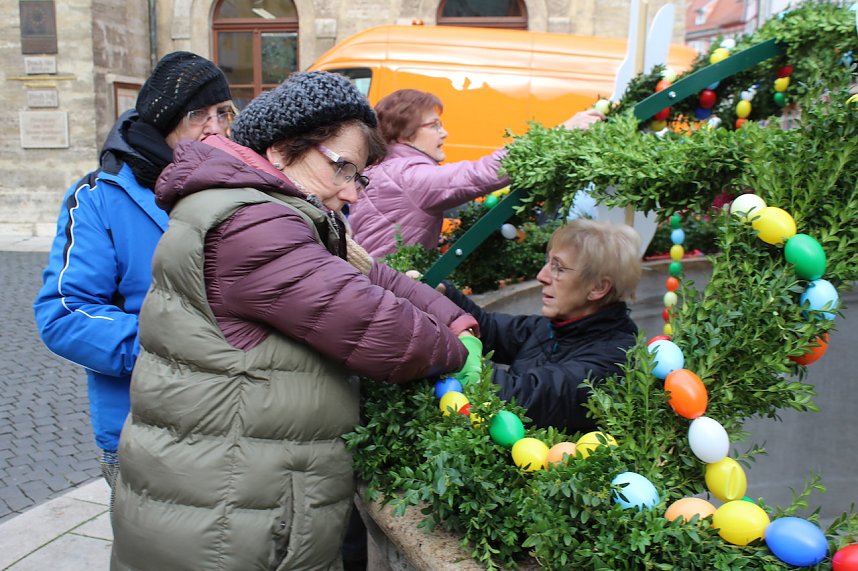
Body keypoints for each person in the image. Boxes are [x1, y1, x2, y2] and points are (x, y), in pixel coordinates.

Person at [109, 71, 481, 571]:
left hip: (232, 501)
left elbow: (373, 276)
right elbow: (382, 330)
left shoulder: (273, 209)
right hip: (225, 524)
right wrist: (457, 351)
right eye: (344, 168)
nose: (353, 194)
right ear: (282, 150)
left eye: (360, 175)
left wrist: (454, 317)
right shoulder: (251, 224)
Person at [33, 51, 233, 493]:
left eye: (223, 113)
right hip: (144, 426)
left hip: (234, 423)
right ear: (164, 122)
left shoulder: (232, 188)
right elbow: (64, 314)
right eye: (199, 114)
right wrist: (177, 349)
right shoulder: (98, 197)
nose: (216, 128)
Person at [440, 218, 642, 434]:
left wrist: (464, 340)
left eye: (559, 268)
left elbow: (518, 397)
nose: (541, 276)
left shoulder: (613, 361)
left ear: (598, 287)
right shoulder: (555, 326)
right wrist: (440, 293)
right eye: (548, 262)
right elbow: (490, 328)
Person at [348, 88, 605, 257]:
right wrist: (558, 135)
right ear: (404, 134)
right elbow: (479, 174)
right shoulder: (407, 176)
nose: (444, 132)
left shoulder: (388, 168)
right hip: (388, 292)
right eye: (434, 125)